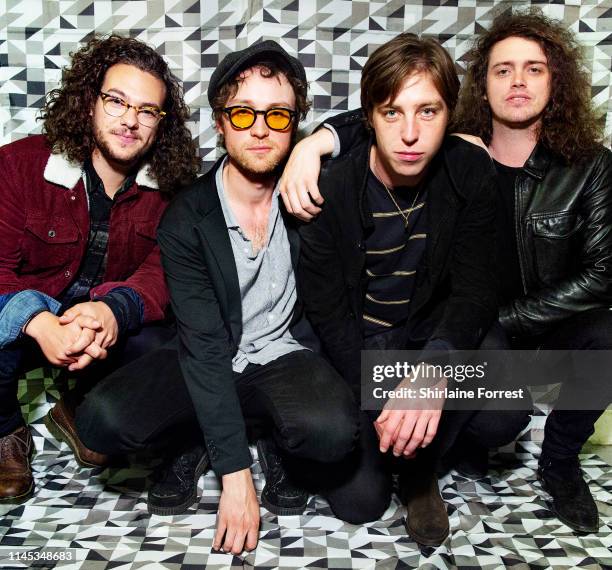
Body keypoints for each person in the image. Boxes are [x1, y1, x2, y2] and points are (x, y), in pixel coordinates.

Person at [282, 10, 612, 536]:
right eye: (504, 70)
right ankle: (391, 447)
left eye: (429, 113)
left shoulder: (501, 165)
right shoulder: (351, 178)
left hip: (465, 329)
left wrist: (438, 369)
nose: (410, 133)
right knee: (360, 499)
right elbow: (325, 310)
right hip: (387, 336)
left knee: (511, 405)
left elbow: (483, 288)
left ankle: (452, 469)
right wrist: (312, 142)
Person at [75, 41, 359, 556]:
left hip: (283, 355)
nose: (258, 128)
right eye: (242, 112)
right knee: (102, 422)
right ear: (221, 122)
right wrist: (236, 476)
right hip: (208, 354)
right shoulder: (187, 215)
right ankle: (202, 439)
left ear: (295, 124)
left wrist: (319, 145)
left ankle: (270, 435)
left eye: (277, 115)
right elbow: (204, 346)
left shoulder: (313, 186)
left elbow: (390, 118)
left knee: (334, 434)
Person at [0, 34, 198, 503]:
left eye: (147, 111)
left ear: (160, 124)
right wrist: (37, 320)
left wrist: (115, 310)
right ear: (90, 102)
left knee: (173, 344)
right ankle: (6, 430)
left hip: (101, 327)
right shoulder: (18, 165)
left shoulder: (170, 190)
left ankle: (79, 406)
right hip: (26, 319)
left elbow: (162, 269)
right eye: (116, 101)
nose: (130, 120)